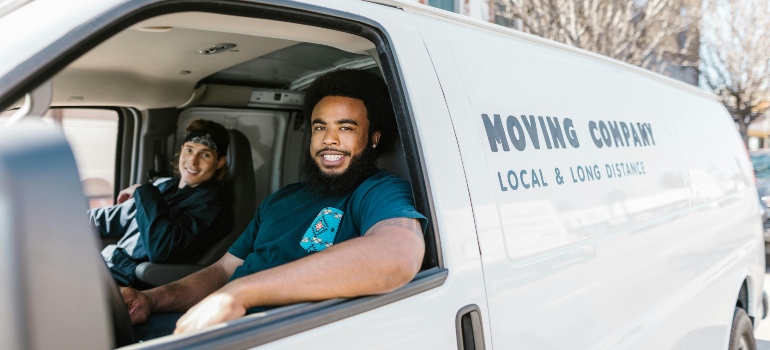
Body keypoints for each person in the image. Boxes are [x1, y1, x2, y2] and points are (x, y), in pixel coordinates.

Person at [121, 69, 427, 339]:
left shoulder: (378, 191)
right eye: (320, 127)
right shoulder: (281, 198)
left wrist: (241, 293)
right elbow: (223, 271)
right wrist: (151, 300)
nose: (329, 139)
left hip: (271, 334)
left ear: (373, 139)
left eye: (345, 128)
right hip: (212, 322)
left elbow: (398, 255)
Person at [91, 119, 234, 286]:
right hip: (105, 265)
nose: (193, 160)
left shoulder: (212, 207)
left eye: (205, 154)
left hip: (129, 281)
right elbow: (110, 219)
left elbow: (161, 249)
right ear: (182, 150)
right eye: (189, 150)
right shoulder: (164, 185)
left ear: (220, 161)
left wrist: (143, 192)